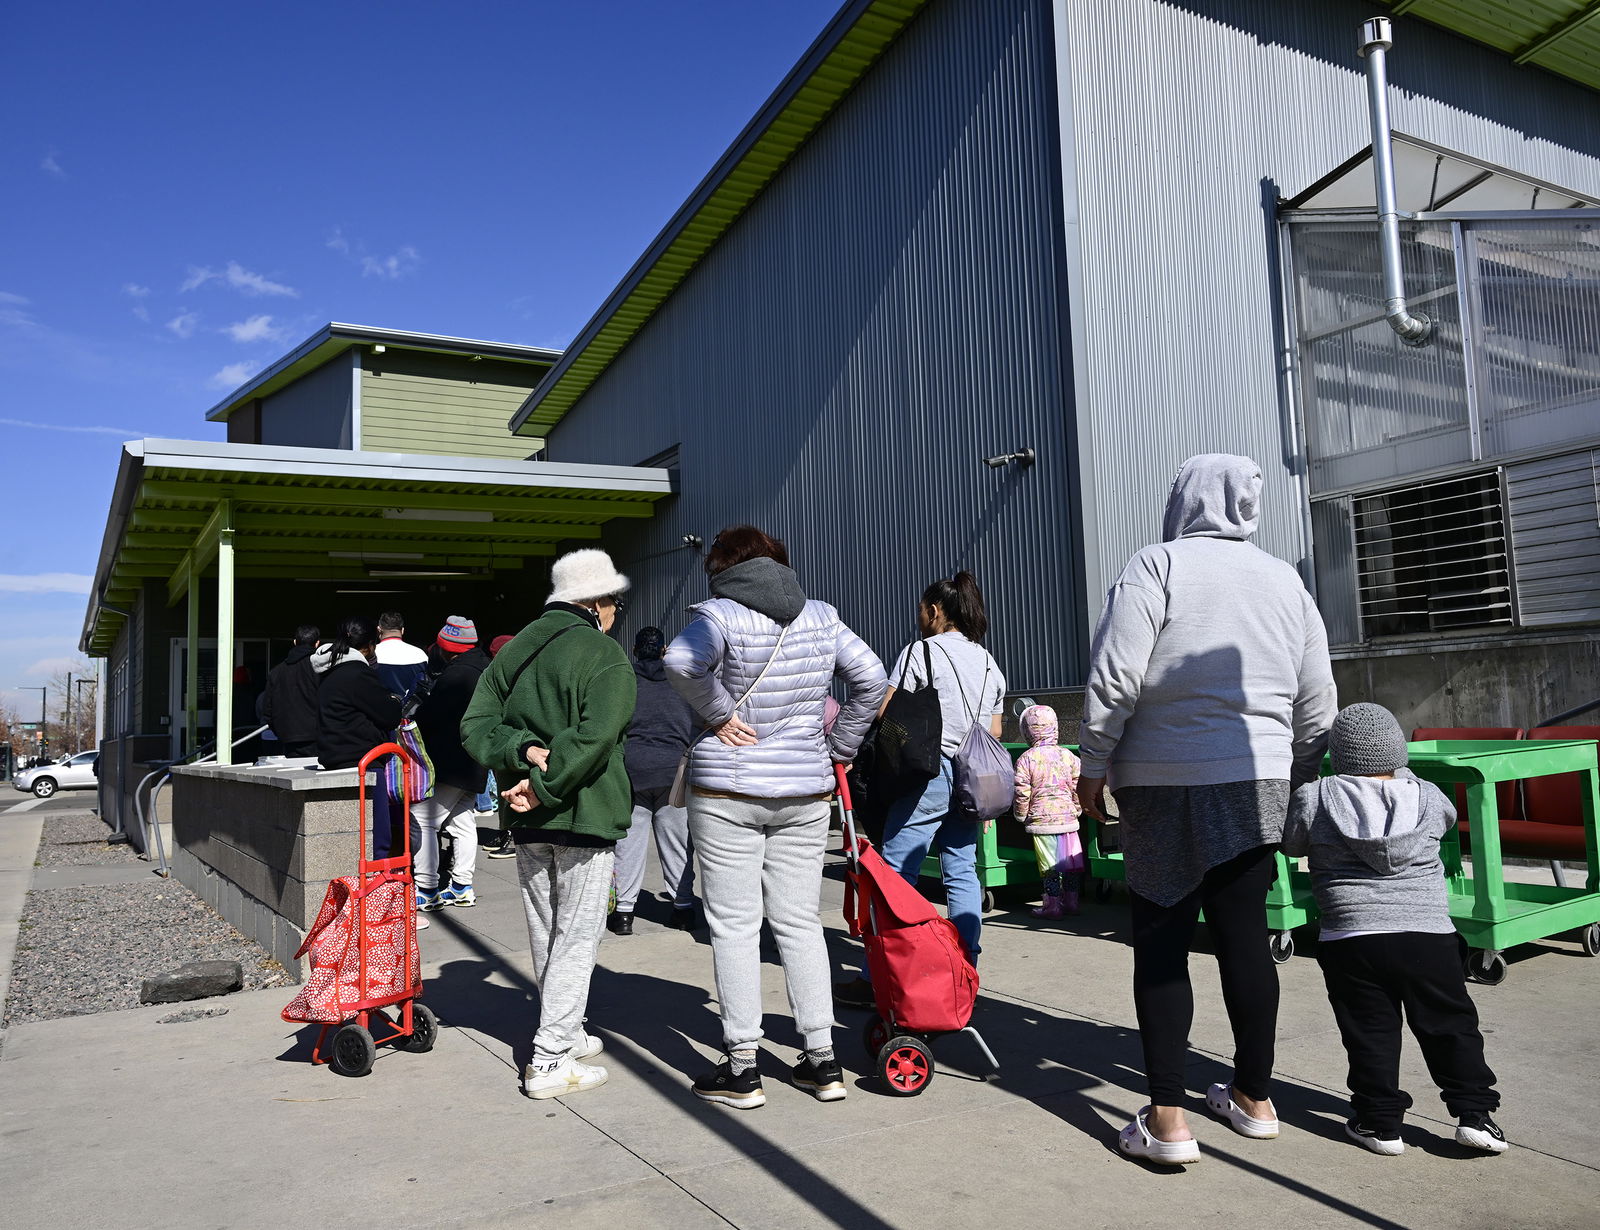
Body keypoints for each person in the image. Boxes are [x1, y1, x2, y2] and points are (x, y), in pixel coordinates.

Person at [1076, 453, 1336, 1166]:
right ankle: (1254, 1097)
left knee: (1161, 938)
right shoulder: (1286, 581)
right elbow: (1319, 701)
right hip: (1256, 777)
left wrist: (1094, 762)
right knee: (1245, 940)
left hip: (1160, 780)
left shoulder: (1156, 565)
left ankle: (1167, 1119)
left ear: (1184, 499)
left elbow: (1116, 675)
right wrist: (1297, 778)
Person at [665, 525, 885, 1109]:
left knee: (735, 925)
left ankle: (743, 1068)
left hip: (729, 790)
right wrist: (840, 746)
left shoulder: (719, 615)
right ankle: (822, 1060)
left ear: (724, 568)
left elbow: (680, 661)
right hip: (805, 791)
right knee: (799, 923)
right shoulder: (822, 616)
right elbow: (872, 679)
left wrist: (716, 715)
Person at [1283, 703, 1506, 1157]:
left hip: (1351, 936)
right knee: (1450, 1025)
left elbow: (1291, 843)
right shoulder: (1429, 794)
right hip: (1427, 933)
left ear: (1339, 754)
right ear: (1397, 748)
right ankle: (1475, 1117)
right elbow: (1443, 828)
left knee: (1369, 1031)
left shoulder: (1316, 796)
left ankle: (1379, 1123)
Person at [461, 549, 637, 1100]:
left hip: (523, 815)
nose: (616, 611)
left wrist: (520, 755)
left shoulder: (515, 649)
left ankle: (566, 1028)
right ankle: (551, 1057)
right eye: (614, 600)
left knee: (547, 930)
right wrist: (543, 788)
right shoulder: (605, 655)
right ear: (596, 602)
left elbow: (476, 725)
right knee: (577, 937)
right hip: (580, 812)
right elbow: (595, 740)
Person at [834, 571, 1003, 1009]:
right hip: (973, 778)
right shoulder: (989, 664)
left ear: (935, 611)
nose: (919, 618)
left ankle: (881, 977)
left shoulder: (920, 653)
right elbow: (994, 731)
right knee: (962, 870)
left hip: (927, 775)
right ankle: (964, 971)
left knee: (895, 874)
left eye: (921, 610)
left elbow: (886, 709)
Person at [610, 626, 700, 935]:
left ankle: (623, 914)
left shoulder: (623, 681)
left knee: (628, 846)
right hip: (674, 773)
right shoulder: (681, 681)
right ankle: (683, 909)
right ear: (664, 651)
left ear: (634, 651)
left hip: (632, 772)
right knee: (677, 845)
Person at [411, 617, 489, 911]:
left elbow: (429, 717)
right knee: (463, 823)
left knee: (422, 820)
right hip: (474, 760)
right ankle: (461, 886)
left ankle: (427, 888)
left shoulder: (456, 675)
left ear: (447, 647)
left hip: (450, 762)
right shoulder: (484, 668)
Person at [313, 615, 404, 858]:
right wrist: (394, 701)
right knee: (378, 841)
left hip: (334, 761)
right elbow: (388, 715)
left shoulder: (328, 671)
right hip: (364, 763)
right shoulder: (358, 673)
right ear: (368, 646)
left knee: (348, 846)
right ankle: (375, 892)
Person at [1012, 704, 1084, 919]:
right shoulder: (1068, 756)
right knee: (1070, 863)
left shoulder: (1026, 759)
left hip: (1042, 820)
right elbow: (1077, 786)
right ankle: (1071, 902)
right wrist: (1077, 808)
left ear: (1027, 730)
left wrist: (1021, 814)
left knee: (1050, 865)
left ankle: (1052, 905)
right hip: (1068, 818)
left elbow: (1021, 791)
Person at [481, 633, 519, 859]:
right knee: (505, 788)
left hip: (513, 741)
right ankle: (506, 832)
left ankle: (514, 837)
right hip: (503, 739)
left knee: (513, 789)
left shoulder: (515, 673)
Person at [263, 625, 320, 757]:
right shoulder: (321, 669)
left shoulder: (276, 672)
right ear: (317, 643)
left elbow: (268, 710)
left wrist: (280, 730)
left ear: (295, 642)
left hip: (288, 738)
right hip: (318, 737)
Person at [374, 611, 429, 702]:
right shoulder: (420, 655)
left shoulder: (370, 655)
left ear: (379, 629)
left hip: (377, 711)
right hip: (409, 713)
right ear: (402, 630)